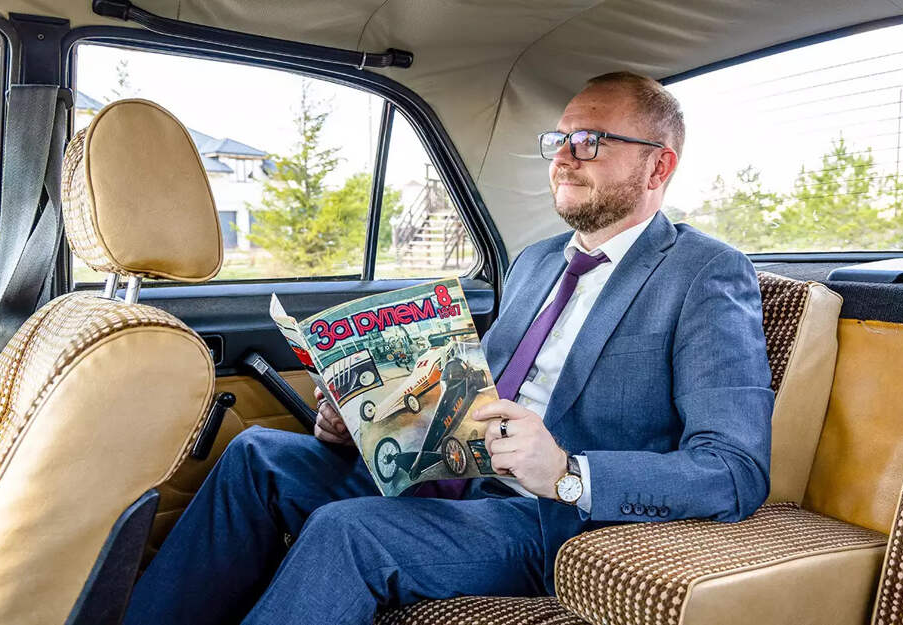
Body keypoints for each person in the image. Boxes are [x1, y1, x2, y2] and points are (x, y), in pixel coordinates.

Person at [122, 71, 773, 625]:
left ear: (659, 165)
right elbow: (472, 392)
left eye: (590, 141)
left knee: (350, 530)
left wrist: (568, 472)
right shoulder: (536, 261)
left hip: (547, 519)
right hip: (453, 474)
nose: (564, 156)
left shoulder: (705, 273)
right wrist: (367, 418)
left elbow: (735, 469)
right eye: (559, 139)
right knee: (257, 453)